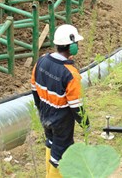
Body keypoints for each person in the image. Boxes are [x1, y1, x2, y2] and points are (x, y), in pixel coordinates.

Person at [31, 24, 90, 178]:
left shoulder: (41, 61)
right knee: (61, 156)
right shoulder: (70, 74)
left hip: (45, 113)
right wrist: (85, 124)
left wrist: (41, 108)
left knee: (51, 143)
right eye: (76, 43)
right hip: (62, 120)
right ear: (72, 46)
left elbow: (34, 88)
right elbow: (76, 105)